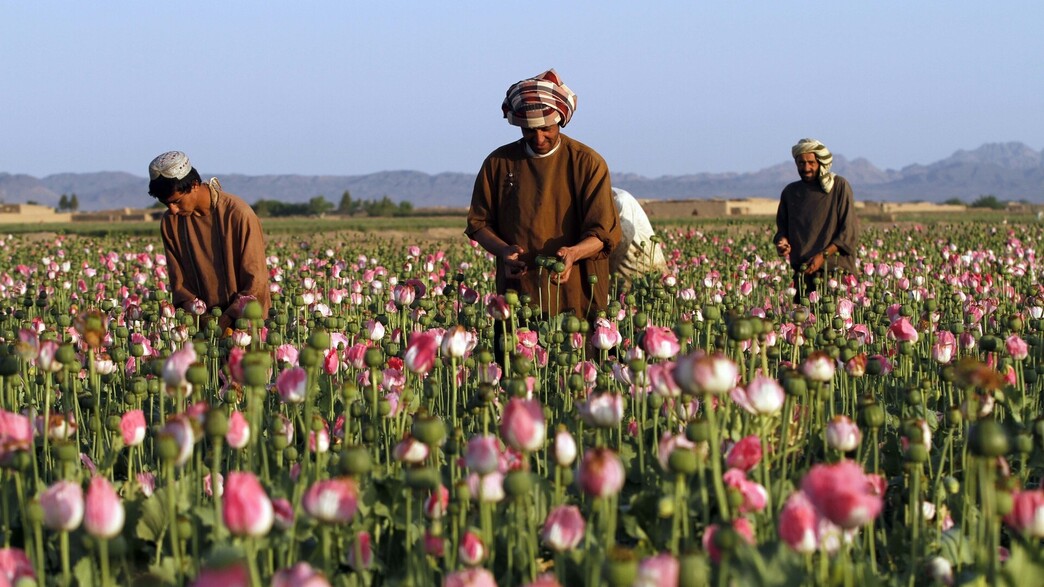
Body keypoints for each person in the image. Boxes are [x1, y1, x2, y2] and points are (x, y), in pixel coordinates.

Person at [466, 69, 622, 320]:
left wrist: (573, 254)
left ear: (560, 119)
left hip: (577, 291)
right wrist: (504, 251)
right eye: (529, 130)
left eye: (546, 128)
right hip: (518, 291)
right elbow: (479, 223)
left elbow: (604, 234)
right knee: (515, 356)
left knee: (578, 355)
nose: (538, 137)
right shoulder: (498, 163)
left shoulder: (587, 163)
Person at [147, 151, 271, 331]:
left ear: (194, 185)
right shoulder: (171, 223)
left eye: (177, 202)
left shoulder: (238, 215)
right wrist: (202, 318)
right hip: (203, 326)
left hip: (246, 325)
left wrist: (227, 319)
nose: (173, 210)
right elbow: (179, 283)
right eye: (166, 204)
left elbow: (255, 280)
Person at [773, 138, 859, 300]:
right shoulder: (790, 192)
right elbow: (782, 230)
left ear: (820, 162)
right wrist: (782, 242)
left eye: (811, 162)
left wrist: (822, 256)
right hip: (804, 275)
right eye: (801, 163)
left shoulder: (838, 186)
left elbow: (848, 233)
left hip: (836, 274)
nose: (806, 168)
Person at [609, 188, 667, 285]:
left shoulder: (620, 199)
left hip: (640, 256)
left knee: (649, 288)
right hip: (623, 261)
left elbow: (625, 236)